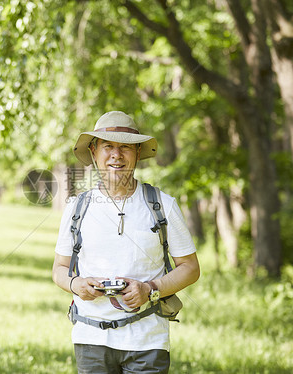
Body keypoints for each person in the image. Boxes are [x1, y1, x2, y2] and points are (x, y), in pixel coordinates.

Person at [52, 111, 200, 373]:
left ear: (138, 154)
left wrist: (150, 289)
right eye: (108, 146)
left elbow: (190, 267)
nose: (116, 155)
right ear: (94, 152)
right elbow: (59, 270)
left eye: (125, 148)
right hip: (91, 338)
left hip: (148, 339)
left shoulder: (163, 205)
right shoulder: (77, 207)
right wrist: (76, 284)